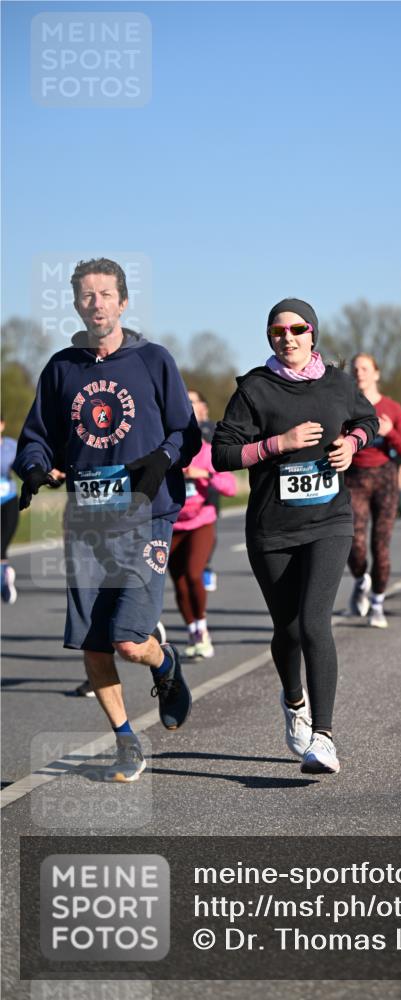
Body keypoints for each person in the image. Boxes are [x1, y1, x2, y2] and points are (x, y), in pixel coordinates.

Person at [14, 257, 200, 780]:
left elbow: (186, 434)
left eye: (105, 294)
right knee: (94, 643)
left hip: (146, 515)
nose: (96, 303)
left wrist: (161, 459)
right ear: (76, 303)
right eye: (86, 295)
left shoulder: (153, 360)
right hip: (86, 524)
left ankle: (163, 663)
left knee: (127, 639)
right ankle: (125, 739)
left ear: (122, 301)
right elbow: (37, 438)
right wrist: (34, 466)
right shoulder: (61, 368)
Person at [212, 298, 377, 775]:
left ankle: (323, 738)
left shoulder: (339, 384)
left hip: (329, 521)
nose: (288, 337)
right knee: (286, 629)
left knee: (312, 623)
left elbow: (369, 421)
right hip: (272, 527)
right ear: (270, 337)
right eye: (277, 331)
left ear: (313, 334)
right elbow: (222, 454)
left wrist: (351, 443)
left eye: (297, 329)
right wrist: (276, 445)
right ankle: (293, 699)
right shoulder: (254, 390)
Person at [345, 353, 401, 628]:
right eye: (355, 369)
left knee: (381, 546)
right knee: (355, 544)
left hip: (385, 478)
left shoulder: (392, 408)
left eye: (365, 368)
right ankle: (362, 581)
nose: (359, 373)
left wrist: (389, 432)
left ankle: (377, 604)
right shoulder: (345, 406)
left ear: (376, 373)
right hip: (354, 479)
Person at [168, 435, 237, 658]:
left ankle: (202, 629)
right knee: (179, 582)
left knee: (193, 573)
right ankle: (192, 631)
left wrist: (205, 474)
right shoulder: (164, 453)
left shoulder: (206, 452)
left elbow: (230, 487)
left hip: (201, 522)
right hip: (171, 525)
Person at [188, 389, 219, 592]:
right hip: (184, 488)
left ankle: (205, 566)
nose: (188, 405)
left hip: (207, 486)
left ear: (203, 406)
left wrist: (204, 472)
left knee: (207, 528)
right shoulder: (177, 428)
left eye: (192, 401)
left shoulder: (212, 429)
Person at [1, 418, 19, 604]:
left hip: (8, 502)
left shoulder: (11, 446)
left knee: (1, 543)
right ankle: (5, 579)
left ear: (2, 425)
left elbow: (23, 465)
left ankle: (4, 579)